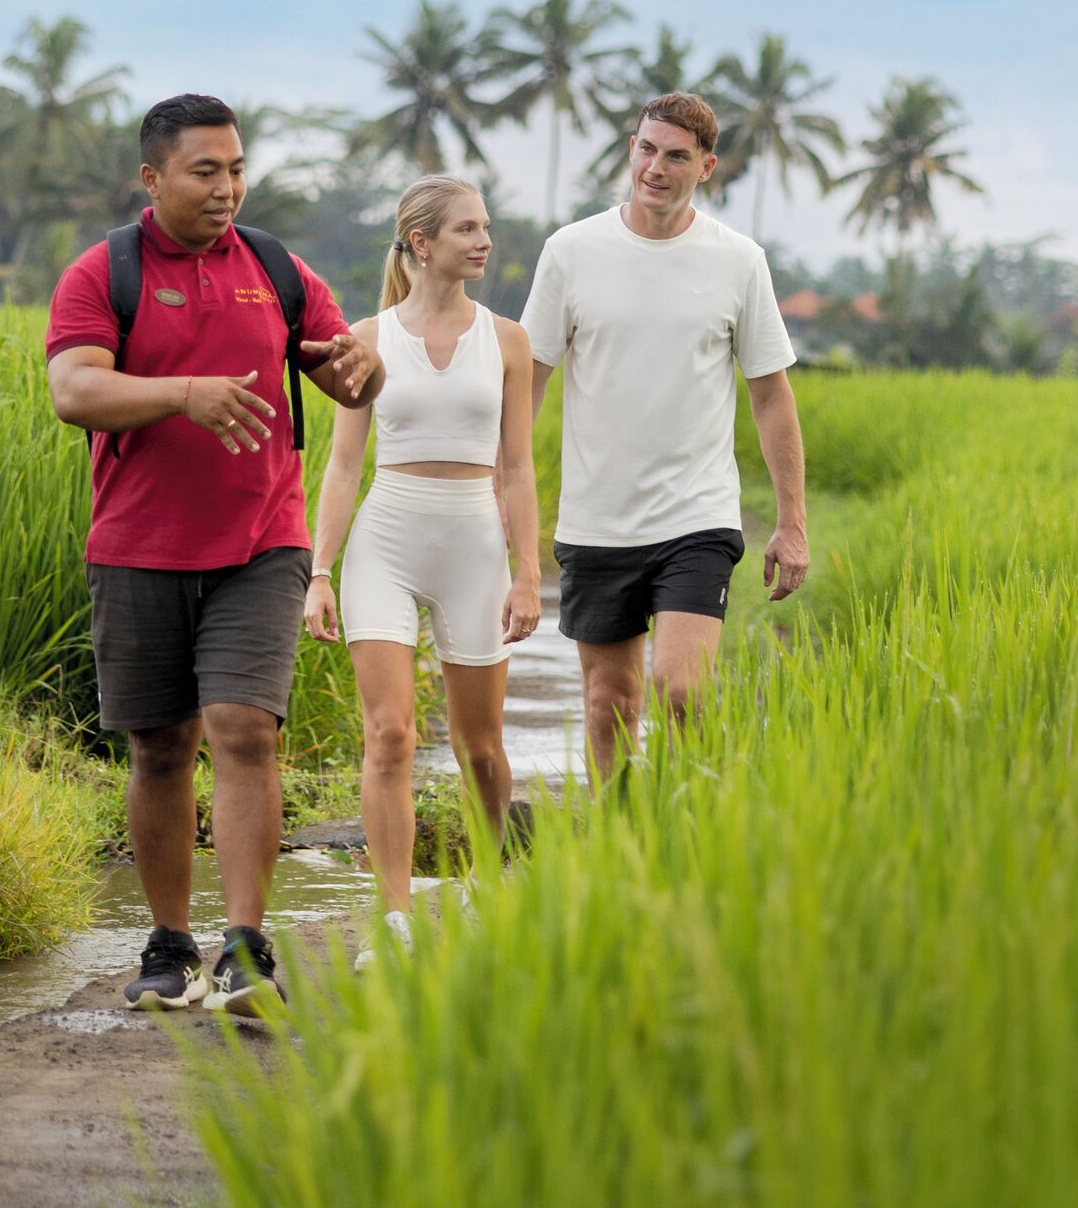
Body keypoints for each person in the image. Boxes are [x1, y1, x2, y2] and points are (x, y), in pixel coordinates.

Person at [47, 94, 383, 1017]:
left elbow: (346, 369)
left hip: (260, 541)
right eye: (205, 170)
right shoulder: (103, 272)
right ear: (152, 177)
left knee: (244, 727)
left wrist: (365, 371)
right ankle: (169, 945)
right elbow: (73, 389)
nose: (227, 186)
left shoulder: (275, 269)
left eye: (236, 168)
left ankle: (244, 946)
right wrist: (182, 393)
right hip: (138, 546)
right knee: (160, 746)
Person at [520, 91, 808, 777]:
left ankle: (690, 823)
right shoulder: (571, 252)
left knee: (681, 690)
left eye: (676, 156)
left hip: (696, 516)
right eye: (647, 149)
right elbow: (528, 382)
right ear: (632, 149)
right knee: (608, 703)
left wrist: (792, 521)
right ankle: (620, 833)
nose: (656, 167)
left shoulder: (738, 260)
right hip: (596, 517)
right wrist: (502, 494)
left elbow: (771, 394)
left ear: (706, 167)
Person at [303, 176, 542, 961]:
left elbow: (517, 468)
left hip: (475, 543)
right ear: (420, 241)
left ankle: (486, 883)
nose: (484, 241)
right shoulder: (367, 337)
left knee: (481, 747)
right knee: (390, 734)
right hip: (387, 538)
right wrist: (320, 570)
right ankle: (396, 915)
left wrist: (527, 573)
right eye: (467, 228)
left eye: (485, 227)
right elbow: (344, 463)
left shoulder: (507, 340)